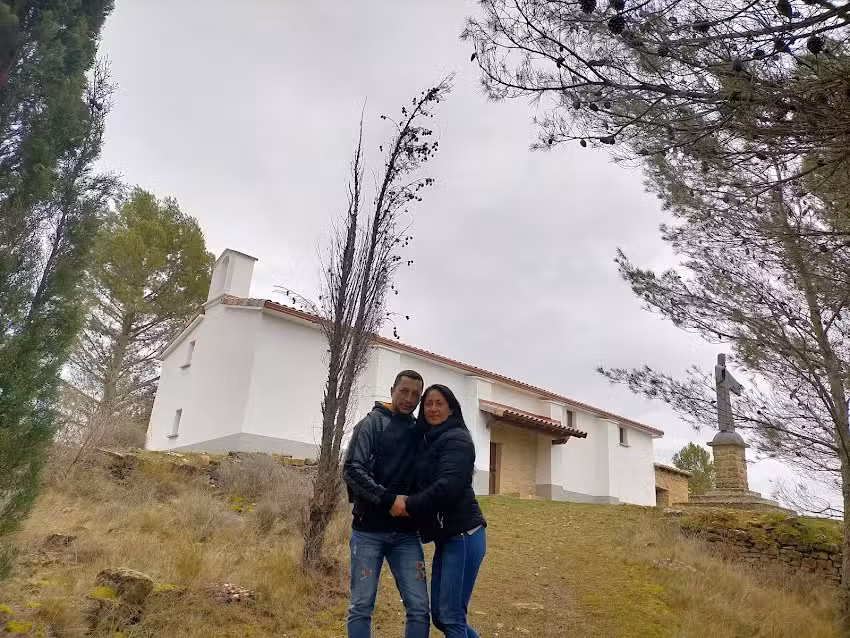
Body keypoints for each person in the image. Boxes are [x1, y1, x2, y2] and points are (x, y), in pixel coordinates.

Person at [342, 369, 430, 638]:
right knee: (361, 607)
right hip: (368, 531)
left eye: (416, 394)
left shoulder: (419, 432)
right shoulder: (372, 423)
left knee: (419, 608)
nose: (409, 398)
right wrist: (388, 500)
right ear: (392, 390)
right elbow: (352, 469)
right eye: (404, 391)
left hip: (406, 534)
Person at [399, 384, 487, 638]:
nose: (433, 408)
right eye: (428, 403)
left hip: (464, 535)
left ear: (451, 409)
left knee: (451, 616)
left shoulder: (457, 439)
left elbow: (448, 486)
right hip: (448, 537)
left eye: (439, 403)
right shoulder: (432, 439)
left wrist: (409, 505)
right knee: (440, 615)